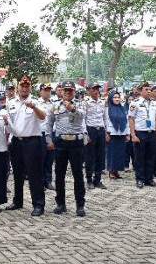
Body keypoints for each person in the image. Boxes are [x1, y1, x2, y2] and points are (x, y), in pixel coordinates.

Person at [5, 74, 46, 216]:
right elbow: (9, 123)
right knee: (17, 173)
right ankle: (18, 201)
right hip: (16, 141)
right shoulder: (11, 103)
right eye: (22, 86)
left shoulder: (36, 101)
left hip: (32, 141)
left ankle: (38, 204)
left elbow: (42, 116)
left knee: (35, 174)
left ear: (30, 88)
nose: (24, 88)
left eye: (27, 86)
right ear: (17, 87)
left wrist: (34, 107)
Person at [45, 81, 87, 217]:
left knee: (78, 175)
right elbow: (49, 123)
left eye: (71, 90)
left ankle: (80, 205)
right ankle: (60, 204)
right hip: (61, 143)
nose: (68, 92)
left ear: (74, 92)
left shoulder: (80, 104)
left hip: (76, 143)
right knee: (59, 175)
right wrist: (49, 139)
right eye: (66, 90)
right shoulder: (55, 105)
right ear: (61, 91)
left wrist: (72, 109)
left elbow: (82, 117)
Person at [128, 81, 156, 189]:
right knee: (139, 157)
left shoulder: (154, 103)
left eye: (149, 90)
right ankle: (140, 179)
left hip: (152, 133)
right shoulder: (135, 103)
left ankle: (149, 179)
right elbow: (131, 119)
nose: (148, 91)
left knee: (151, 156)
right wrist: (133, 135)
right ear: (140, 91)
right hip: (140, 132)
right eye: (146, 90)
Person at [84, 83, 107, 190]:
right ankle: (89, 180)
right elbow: (83, 119)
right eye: (93, 89)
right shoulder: (85, 102)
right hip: (90, 130)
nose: (96, 91)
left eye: (97, 89)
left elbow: (105, 118)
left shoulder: (103, 102)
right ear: (88, 90)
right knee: (90, 156)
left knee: (100, 156)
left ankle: (97, 180)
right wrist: (85, 133)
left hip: (100, 130)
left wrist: (107, 132)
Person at [105, 91, 129, 179]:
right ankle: (111, 170)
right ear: (111, 98)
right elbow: (105, 121)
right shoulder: (107, 109)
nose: (117, 99)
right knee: (112, 153)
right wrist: (106, 133)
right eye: (115, 97)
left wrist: (127, 134)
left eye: (118, 97)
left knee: (120, 153)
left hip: (121, 133)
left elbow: (126, 122)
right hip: (112, 134)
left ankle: (117, 171)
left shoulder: (123, 109)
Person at [36, 83, 55, 191]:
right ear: (40, 91)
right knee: (40, 159)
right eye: (45, 90)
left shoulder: (53, 104)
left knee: (49, 159)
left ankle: (48, 181)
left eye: (49, 90)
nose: (47, 92)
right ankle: (40, 181)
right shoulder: (37, 103)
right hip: (40, 133)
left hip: (51, 133)